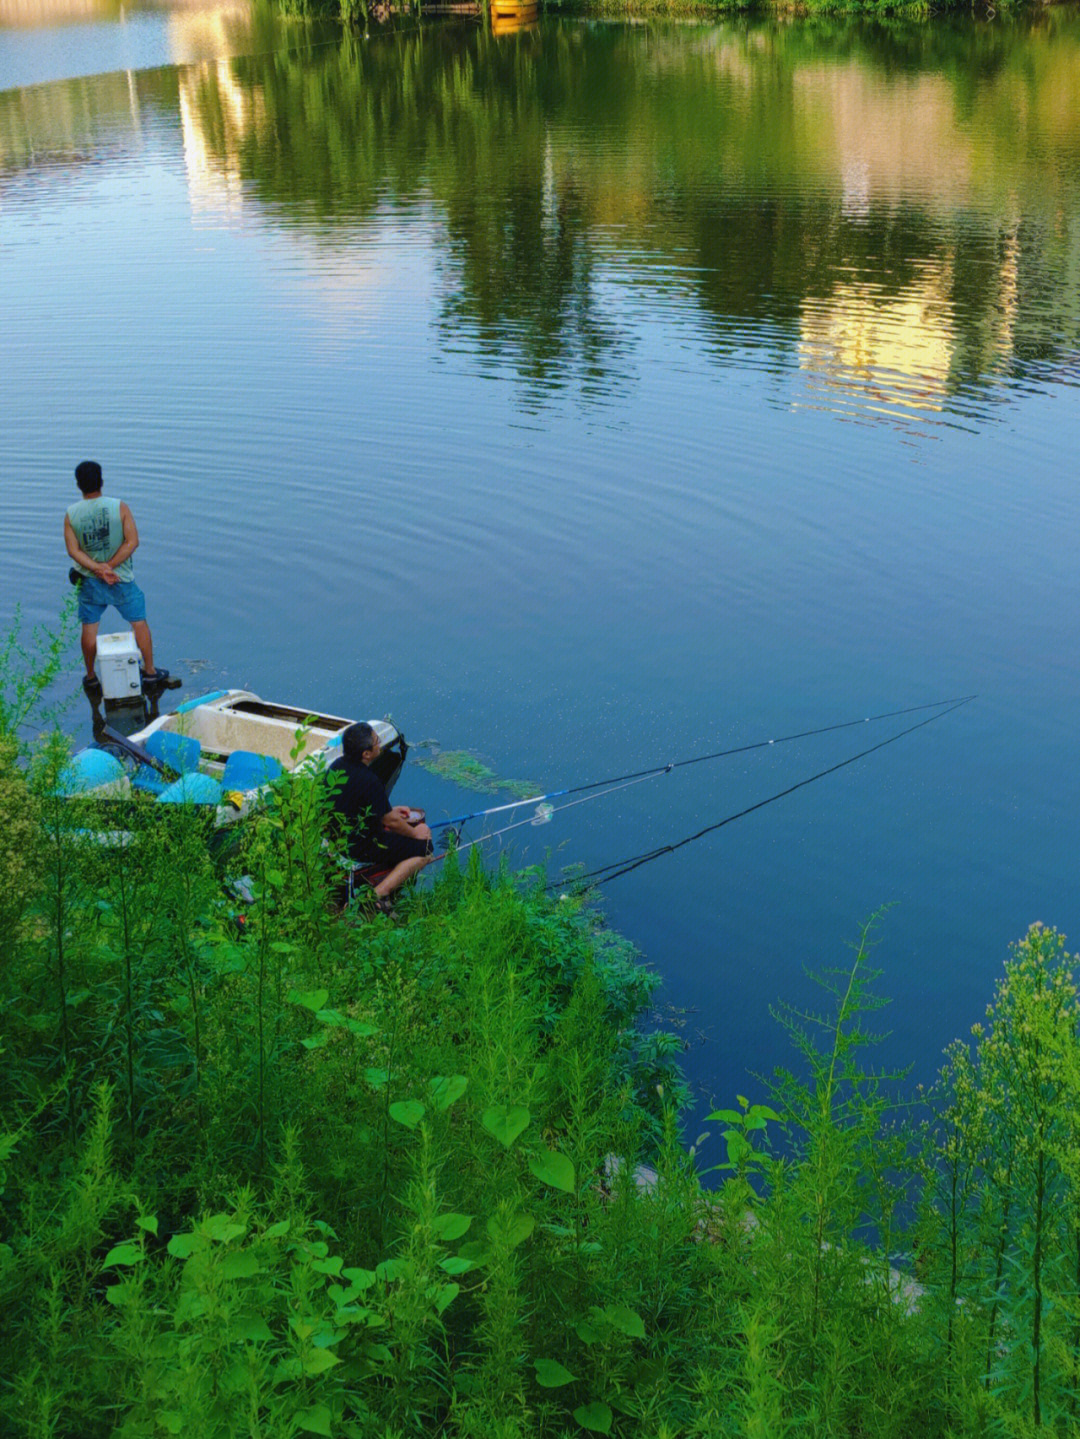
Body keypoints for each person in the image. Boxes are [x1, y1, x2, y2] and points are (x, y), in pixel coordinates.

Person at [64, 460, 169, 692]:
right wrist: (109, 567)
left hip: (89, 581)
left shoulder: (71, 514)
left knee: (89, 627)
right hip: (120, 578)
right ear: (101, 481)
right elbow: (133, 542)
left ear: (78, 484)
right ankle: (150, 672)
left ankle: (91, 677)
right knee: (139, 623)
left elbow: (73, 551)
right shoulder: (119, 507)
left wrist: (98, 569)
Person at [328, 721, 434, 911]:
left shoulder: (336, 767)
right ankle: (376, 895)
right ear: (366, 754)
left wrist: (392, 810)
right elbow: (390, 822)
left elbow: (356, 804)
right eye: (377, 741)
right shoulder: (369, 780)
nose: (380, 743)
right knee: (426, 848)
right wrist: (415, 833)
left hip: (337, 839)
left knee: (408, 835)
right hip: (361, 846)